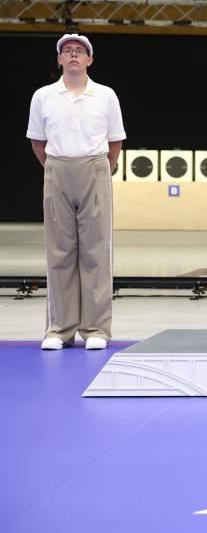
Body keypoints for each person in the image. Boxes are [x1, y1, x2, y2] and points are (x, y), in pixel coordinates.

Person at [27, 34, 125, 350]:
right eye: (67, 51)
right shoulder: (43, 96)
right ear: (59, 60)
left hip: (95, 168)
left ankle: (96, 329)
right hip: (57, 168)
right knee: (59, 251)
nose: (73, 55)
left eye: (79, 51)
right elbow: (38, 142)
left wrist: (101, 170)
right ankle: (59, 329)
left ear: (89, 59)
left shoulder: (105, 95)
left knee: (96, 251)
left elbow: (115, 142)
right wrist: (56, 169)